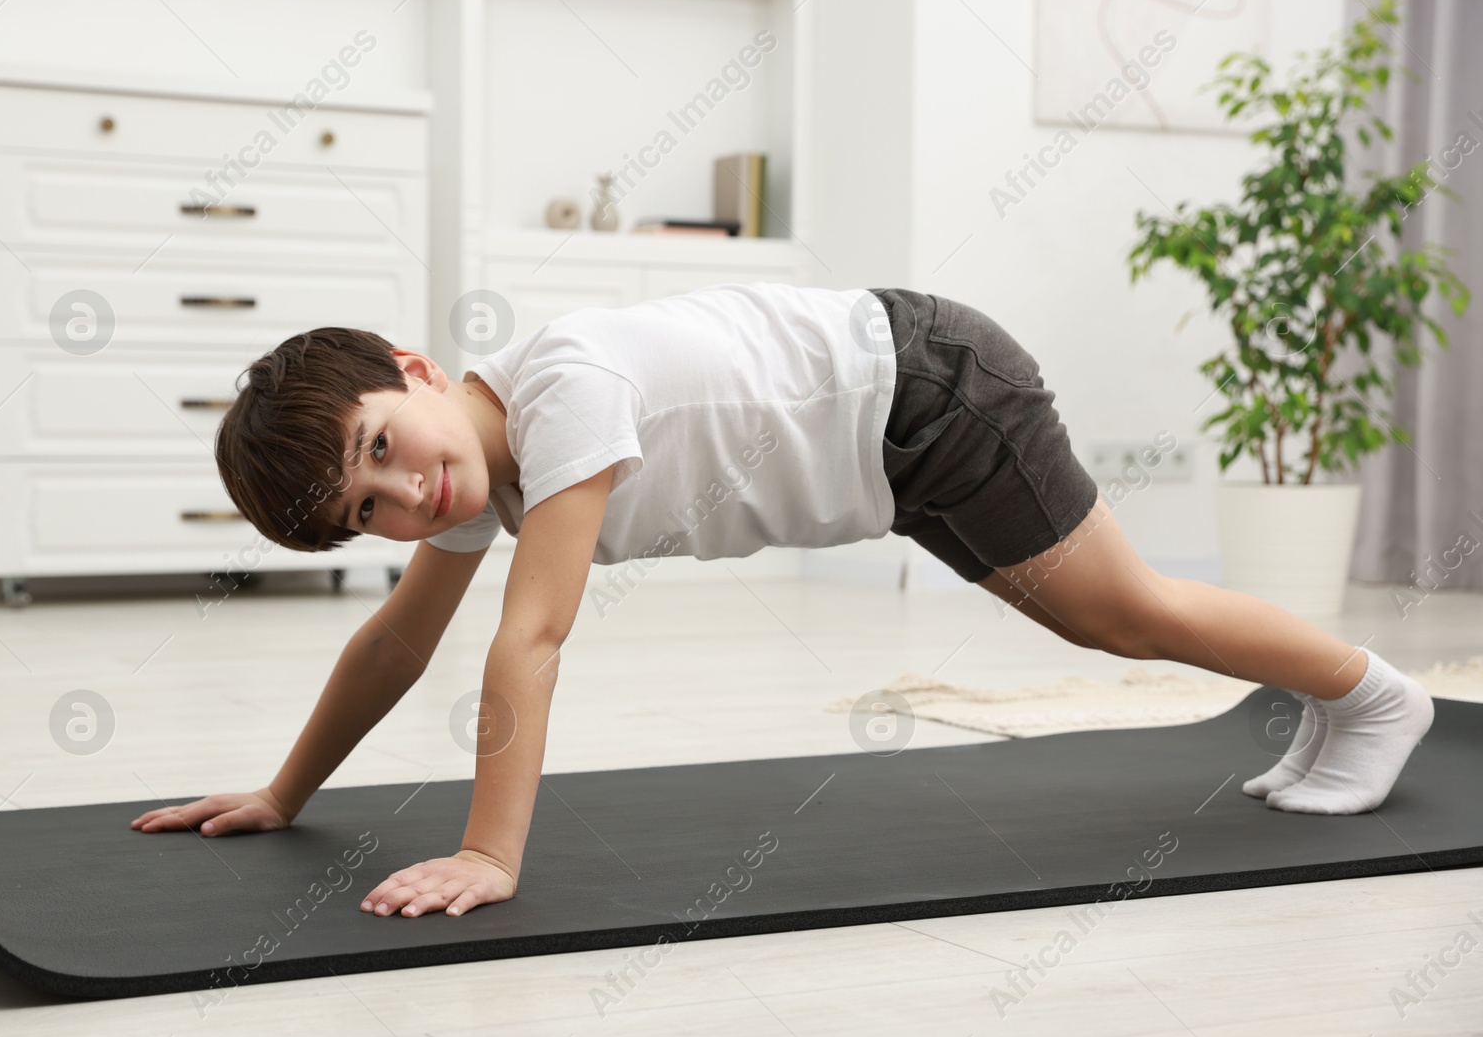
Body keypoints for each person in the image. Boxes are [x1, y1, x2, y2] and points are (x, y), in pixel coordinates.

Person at [129, 284, 1434, 919]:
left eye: (379, 447)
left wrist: (489, 855)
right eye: (369, 512)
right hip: (890, 447)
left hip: (930, 394)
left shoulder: (560, 393)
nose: (406, 495)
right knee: (1110, 615)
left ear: (413, 369)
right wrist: (283, 793)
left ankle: (1377, 698)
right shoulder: (475, 470)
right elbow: (398, 639)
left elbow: (531, 638)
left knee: (1121, 615)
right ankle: (1348, 704)